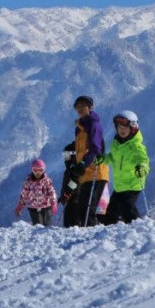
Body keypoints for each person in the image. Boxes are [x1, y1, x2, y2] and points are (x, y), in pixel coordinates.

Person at [59, 95, 109, 227]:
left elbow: (95, 148)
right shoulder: (79, 128)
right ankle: (88, 241)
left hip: (96, 173)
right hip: (85, 174)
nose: (80, 109)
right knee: (83, 210)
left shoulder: (93, 124)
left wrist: (82, 164)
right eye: (77, 107)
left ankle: (94, 241)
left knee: (88, 210)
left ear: (90, 107)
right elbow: (80, 150)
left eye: (83, 106)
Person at [96, 110, 149, 224]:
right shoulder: (116, 144)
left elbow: (143, 160)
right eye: (119, 128)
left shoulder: (136, 146)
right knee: (111, 212)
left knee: (127, 208)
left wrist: (142, 169)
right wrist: (103, 159)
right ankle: (110, 233)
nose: (122, 131)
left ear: (133, 128)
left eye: (125, 128)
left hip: (133, 184)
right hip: (119, 186)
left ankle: (139, 228)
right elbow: (112, 157)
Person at [14, 159, 58, 226]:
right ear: (32, 170)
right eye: (35, 170)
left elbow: (51, 193)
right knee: (38, 226)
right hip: (33, 208)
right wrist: (20, 206)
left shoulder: (46, 181)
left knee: (47, 226)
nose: (38, 173)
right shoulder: (28, 181)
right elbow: (24, 195)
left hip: (46, 207)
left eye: (40, 170)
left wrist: (53, 203)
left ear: (44, 170)